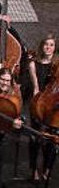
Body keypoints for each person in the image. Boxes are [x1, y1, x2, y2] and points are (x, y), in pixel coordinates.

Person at [27, 34, 57, 180]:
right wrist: (38, 104)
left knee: (52, 139)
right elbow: (36, 87)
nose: (48, 47)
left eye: (51, 45)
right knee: (35, 137)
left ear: (55, 47)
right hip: (40, 101)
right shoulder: (33, 63)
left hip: (55, 104)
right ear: (42, 46)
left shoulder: (57, 64)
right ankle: (33, 169)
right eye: (46, 44)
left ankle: (47, 170)